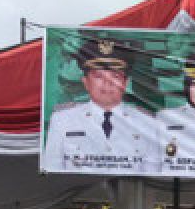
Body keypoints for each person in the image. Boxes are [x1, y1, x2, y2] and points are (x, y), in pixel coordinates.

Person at [42, 36, 162, 175]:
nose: (107, 83)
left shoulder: (146, 122)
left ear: (126, 83)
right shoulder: (62, 120)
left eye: (115, 76)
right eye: (99, 76)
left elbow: (153, 175)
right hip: (80, 195)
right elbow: (52, 170)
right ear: (85, 82)